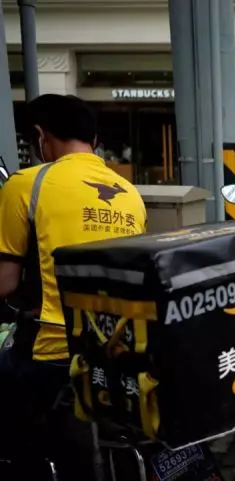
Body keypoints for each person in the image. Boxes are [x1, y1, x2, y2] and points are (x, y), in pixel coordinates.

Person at [0, 94, 147, 480]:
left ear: (40, 136)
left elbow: (5, 282)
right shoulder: (129, 192)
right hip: (117, 348)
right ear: (93, 140)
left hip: (52, 351)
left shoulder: (26, 184)